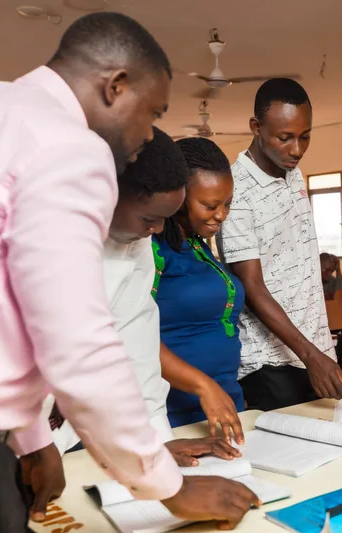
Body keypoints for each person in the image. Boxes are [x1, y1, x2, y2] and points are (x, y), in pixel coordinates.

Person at [0, 12, 256, 532]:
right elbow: (77, 341)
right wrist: (170, 490)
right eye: (152, 113)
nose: (147, 135)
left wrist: (32, 441)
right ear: (116, 86)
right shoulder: (71, 147)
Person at [48, 127, 242, 464]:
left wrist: (159, 445)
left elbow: (139, 351)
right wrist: (34, 448)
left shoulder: (135, 245)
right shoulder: (47, 241)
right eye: (149, 218)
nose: (154, 231)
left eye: (163, 219)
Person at [218, 78, 342, 411]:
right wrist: (310, 355)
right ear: (256, 127)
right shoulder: (237, 191)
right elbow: (253, 286)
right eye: (285, 138)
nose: (297, 149)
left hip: (312, 350)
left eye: (305, 136)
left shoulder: (292, 172)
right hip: (270, 365)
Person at [153, 137, 246, 431]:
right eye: (209, 205)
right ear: (178, 195)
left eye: (227, 203)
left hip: (225, 402)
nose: (221, 214)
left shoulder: (196, 242)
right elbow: (132, 333)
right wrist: (203, 385)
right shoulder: (153, 248)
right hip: (176, 411)